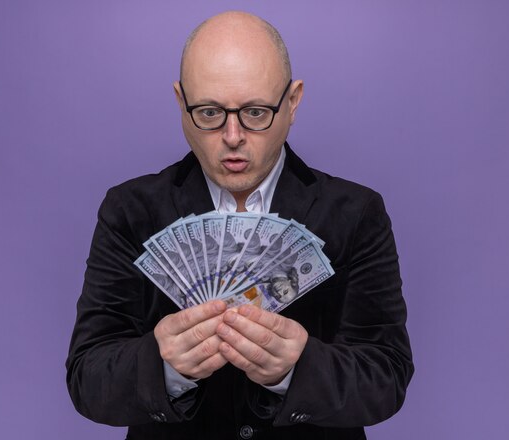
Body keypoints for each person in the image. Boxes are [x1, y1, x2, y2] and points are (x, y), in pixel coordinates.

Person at [66, 11, 413, 440]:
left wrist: (297, 369)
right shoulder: (129, 211)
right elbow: (87, 377)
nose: (232, 135)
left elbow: (387, 376)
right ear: (180, 102)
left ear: (292, 101)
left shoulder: (357, 213)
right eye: (209, 112)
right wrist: (163, 366)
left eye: (255, 111)